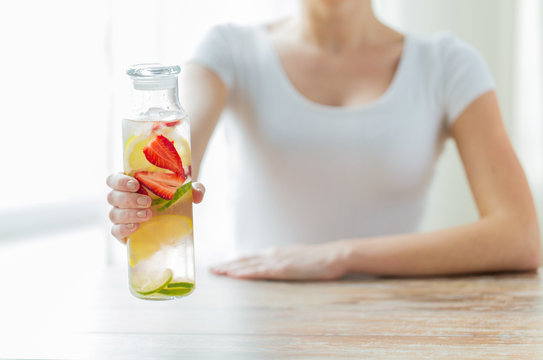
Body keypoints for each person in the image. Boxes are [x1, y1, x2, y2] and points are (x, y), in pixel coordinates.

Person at [106, 0, 541, 280]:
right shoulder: (230, 48)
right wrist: (141, 198)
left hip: (394, 317)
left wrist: (338, 256)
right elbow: (174, 153)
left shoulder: (448, 64)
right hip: (260, 314)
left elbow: (519, 236)